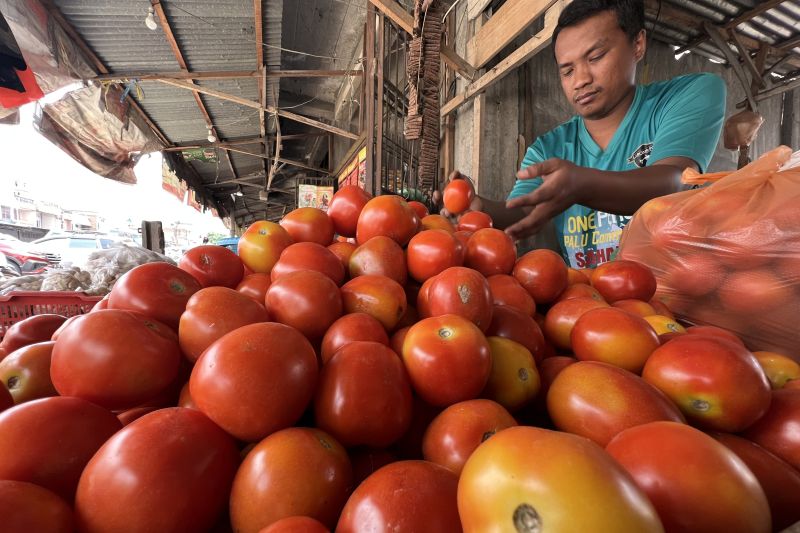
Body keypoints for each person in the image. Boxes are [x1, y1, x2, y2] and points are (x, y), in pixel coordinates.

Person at [440, 0, 726, 269]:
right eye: (567, 71)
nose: (581, 80)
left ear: (638, 44)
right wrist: (480, 208)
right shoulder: (547, 149)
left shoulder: (689, 95)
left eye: (596, 57)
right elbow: (526, 212)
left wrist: (582, 184)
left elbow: (676, 180)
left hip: (669, 301)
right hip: (585, 307)